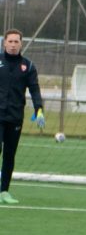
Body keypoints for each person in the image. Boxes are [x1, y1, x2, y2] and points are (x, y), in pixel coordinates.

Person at [0, 29, 45, 205]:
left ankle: (4, 191)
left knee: (10, 156)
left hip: (15, 116)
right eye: (9, 41)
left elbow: (34, 88)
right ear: (4, 43)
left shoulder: (28, 66)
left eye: (16, 41)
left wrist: (39, 109)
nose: (12, 44)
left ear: (21, 44)